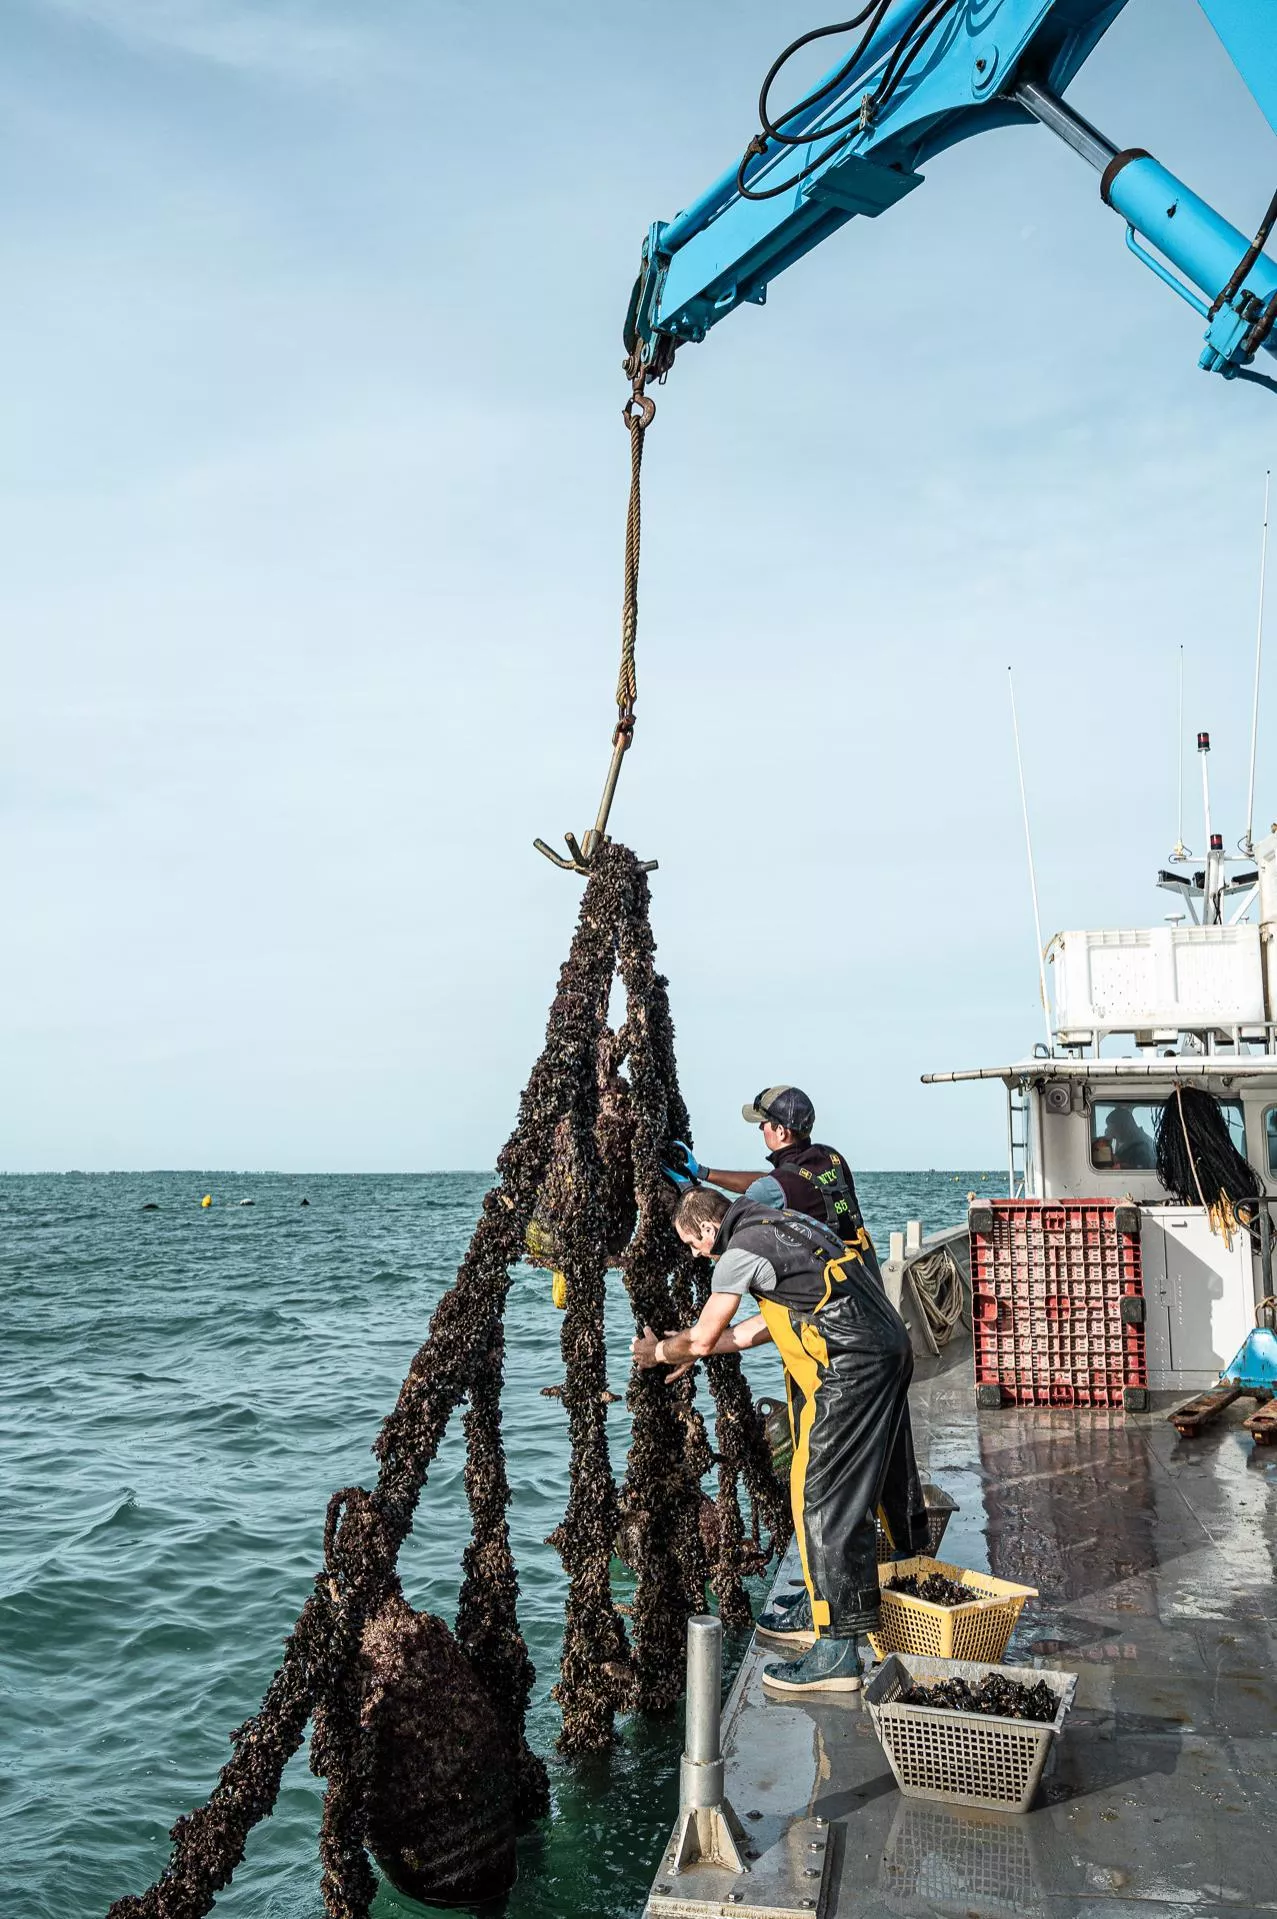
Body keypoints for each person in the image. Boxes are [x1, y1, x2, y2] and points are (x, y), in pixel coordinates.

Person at [632, 1184, 926, 1696]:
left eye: (692, 1243)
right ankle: (822, 1602)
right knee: (836, 1484)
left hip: (851, 1367)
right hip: (884, 1348)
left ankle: (837, 1652)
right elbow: (756, 1331)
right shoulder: (786, 1225)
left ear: (708, 1228)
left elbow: (703, 1335)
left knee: (825, 1499)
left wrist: (659, 1353)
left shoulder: (738, 1252)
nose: (694, 1254)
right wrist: (692, 1350)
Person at [666, 1084, 870, 1248]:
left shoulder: (776, 1186)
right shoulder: (832, 1157)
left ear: (781, 1131)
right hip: (856, 1269)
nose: (760, 1127)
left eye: (764, 1122)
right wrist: (703, 1172)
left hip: (818, 1283)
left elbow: (723, 1229)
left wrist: (689, 1190)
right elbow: (771, 1182)